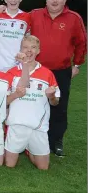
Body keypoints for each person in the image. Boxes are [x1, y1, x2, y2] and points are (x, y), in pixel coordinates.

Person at [29, 0, 86, 157]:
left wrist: (77, 64)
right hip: (37, 70)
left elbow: (82, 43)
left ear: (64, 0)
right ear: (46, 0)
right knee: (34, 103)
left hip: (61, 71)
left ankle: (56, 140)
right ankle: (32, 138)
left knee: (59, 105)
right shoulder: (34, 14)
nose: (55, 1)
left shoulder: (74, 18)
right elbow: (16, 17)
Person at [5, 35, 60, 170]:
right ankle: (25, 146)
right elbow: (4, 101)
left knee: (43, 168)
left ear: (38, 51)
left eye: (33, 48)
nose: (29, 51)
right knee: (9, 166)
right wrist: (16, 95)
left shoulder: (47, 74)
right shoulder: (11, 73)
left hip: (38, 127)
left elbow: (55, 103)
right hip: (16, 125)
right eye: (25, 47)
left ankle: (29, 149)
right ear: (21, 50)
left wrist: (51, 96)